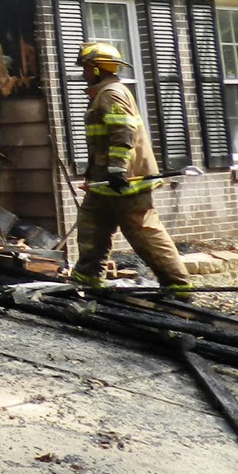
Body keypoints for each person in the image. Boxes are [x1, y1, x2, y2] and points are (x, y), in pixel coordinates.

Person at [69, 41, 191, 294]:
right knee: (92, 225)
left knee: (143, 232)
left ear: (96, 69)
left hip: (126, 181)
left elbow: (124, 133)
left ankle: (178, 286)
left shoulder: (112, 94)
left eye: (85, 68)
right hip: (104, 181)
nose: (83, 73)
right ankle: (86, 280)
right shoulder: (103, 94)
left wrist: (117, 170)